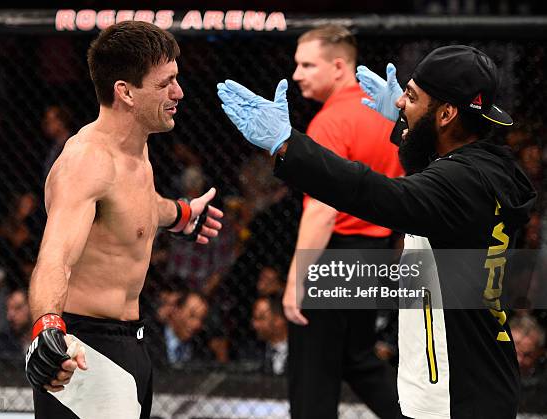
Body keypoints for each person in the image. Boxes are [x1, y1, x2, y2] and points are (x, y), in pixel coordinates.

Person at [218, 45, 536, 418]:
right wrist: (406, 126)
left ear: (447, 114)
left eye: (413, 97)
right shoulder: (487, 168)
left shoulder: (460, 182)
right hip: (476, 376)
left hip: (455, 393)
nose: (400, 101)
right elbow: (432, 175)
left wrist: (289, 145)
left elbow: (374, 193)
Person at [26, 21, 223, 419]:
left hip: (131, 342)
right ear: (126, 92)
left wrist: (181, 215)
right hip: (85, 352)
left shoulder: (136, 152)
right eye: (165, 83)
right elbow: (55, 256)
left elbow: (138, 206)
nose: (178, 93)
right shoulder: (88, 161)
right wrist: (47, 326)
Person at [282, 25, 402, 419]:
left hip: (336, 256)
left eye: (306, 64)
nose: (297, 74)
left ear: (338, 67)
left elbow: (322, 209)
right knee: (358, 359)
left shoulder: (330, 122)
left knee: (312, 374)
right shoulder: (387, 114)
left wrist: (297, 280)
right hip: (376, 254)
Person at [251, 294, 288, 375]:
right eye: (254, 319)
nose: (254, 324)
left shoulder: (302, 351)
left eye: (261, 318)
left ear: (278, 320)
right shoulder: (254, 352)